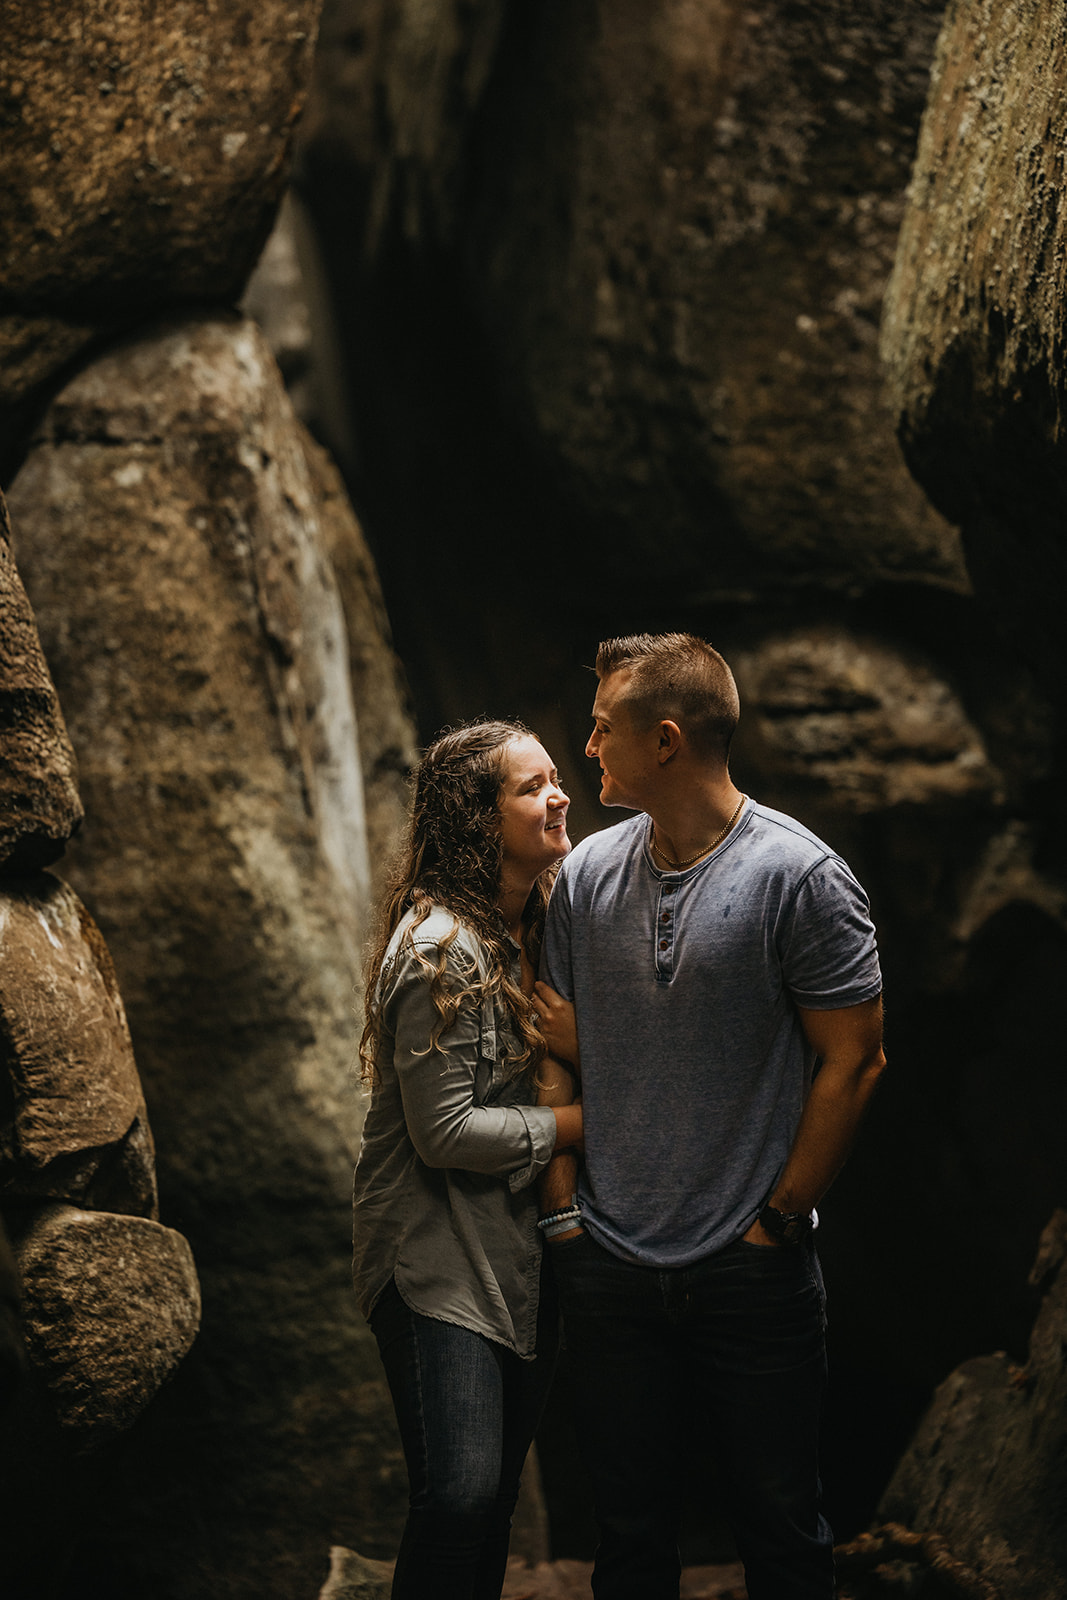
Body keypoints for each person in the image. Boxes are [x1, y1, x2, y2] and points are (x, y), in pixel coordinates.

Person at [533, 632, 885, 1600]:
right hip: (606, 1259)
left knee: (780, 1529)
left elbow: (854, 1060)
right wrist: (561, 1214)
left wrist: (779, 1217)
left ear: (666, 740)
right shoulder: (584, 875)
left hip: (750, 1265)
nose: (587, 748)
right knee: (626, 1539)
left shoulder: (798, 877)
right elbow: (546, 1049)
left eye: (602, 729)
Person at [352, 719, 583, 1600]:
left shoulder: (548, 926)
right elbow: (443, 1133)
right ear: (479, 820)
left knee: (487, 1507)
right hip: (434, 1260)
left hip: (521, 1255)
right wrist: (579, 1124)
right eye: (531, 787)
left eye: (555, 777)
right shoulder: (439, 949)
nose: (558, 796)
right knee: (456, 1498)